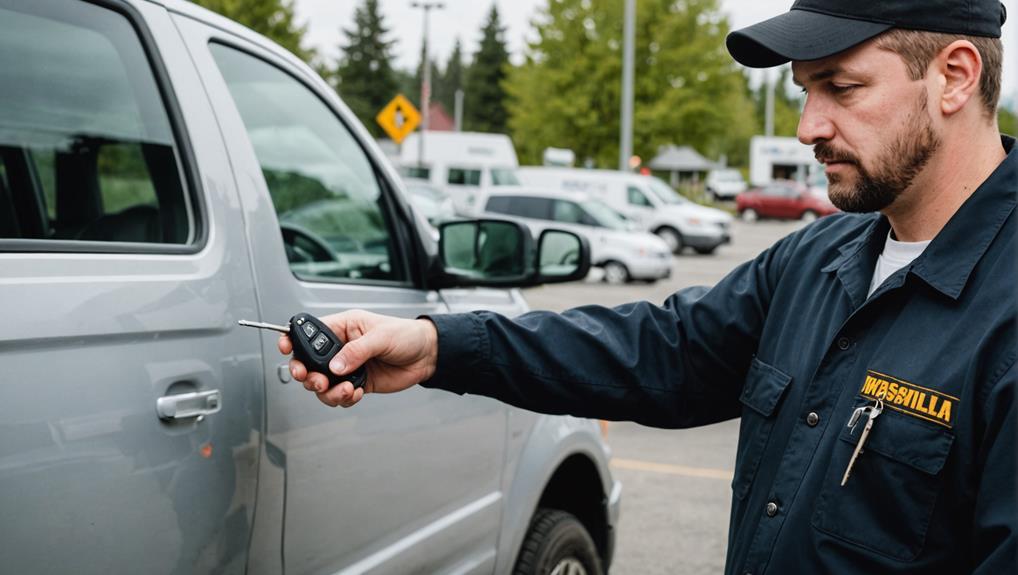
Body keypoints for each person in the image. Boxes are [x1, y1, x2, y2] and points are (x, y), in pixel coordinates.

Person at [280, 0, 1016, 572]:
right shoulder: (820, 259)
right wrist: (438, 344)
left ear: (954, 75)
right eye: (802, 91)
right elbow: (660, 349)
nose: (806, 126)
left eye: (841, 87)